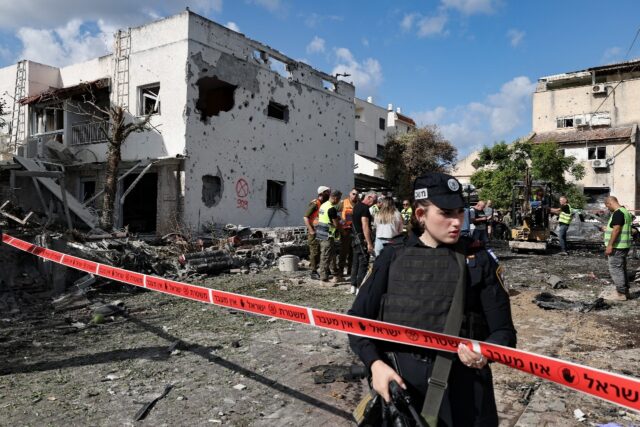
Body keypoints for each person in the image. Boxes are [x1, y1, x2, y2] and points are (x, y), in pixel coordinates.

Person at [348, 172, 516, 426]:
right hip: (403, 388)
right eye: (446, 213)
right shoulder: (392, 257)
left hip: (465, 392)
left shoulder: (478, 260)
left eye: (460, 212)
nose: (457, 222)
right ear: (420, 215)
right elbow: (356, 322)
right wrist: (375, 365)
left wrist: (484, 352)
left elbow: (504, 332)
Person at [600, 196, 633, 301]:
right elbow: (618, 227)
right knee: (621, 268)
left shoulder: (618, 212)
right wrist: (607, 229)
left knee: (615, 269)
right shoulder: (625, 212)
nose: (608, 208)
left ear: (610, 203)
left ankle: (620, 294)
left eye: (607, 206)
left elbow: (617, 229)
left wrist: (610, 245)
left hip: (617, 246)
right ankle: (625, 292)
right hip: (624, 245)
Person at [350, 192, 377, 295]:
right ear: (369, 198)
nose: (373, 204)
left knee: (355, 262)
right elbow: (365, 226)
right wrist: (369, 243)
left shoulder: (356, 206)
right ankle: (359, 287)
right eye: (373, 201)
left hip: (354, 238)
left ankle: (353, 286)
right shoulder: (365, 208)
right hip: (362, 239)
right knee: (363, 263)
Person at [303, 186, 330, 280]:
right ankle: (313, 271)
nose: (329, 194)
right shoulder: (315, 204)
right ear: (321, 193)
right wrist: (311, 230)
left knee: (322, 251)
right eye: (327, 192)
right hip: (314, 231)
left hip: (321, 231)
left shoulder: (325, 204)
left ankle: (322, 269)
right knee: (314, 252)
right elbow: (305, 217)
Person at [316, 190, 343, 282]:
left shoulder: (323, 205)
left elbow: (325, 218)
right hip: (327, 235)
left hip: (321, 234)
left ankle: (335, 275)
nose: (339, 201)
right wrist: (341, 226)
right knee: (325, 256)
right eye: (339, 199)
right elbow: (336, 224)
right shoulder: (331, 209)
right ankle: (323, 279)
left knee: (331, 255)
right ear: (335, 198)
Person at [338, 188, 358, 277]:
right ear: (350, 194)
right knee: (344, 251)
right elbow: (333, 211)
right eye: (353, 194)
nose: (355, 196)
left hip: (355, 230)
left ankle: (351, 271)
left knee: (353, 251)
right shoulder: (343, 202)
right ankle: (340, 271)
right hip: (345, 230)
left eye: (356, 194)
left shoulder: (359, 203)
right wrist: (340, 221)